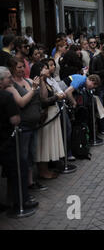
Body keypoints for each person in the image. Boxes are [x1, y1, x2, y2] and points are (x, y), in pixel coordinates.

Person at [0, 66, 38, 213]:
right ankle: (21, 202)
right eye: (8, 77)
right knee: (19, 169)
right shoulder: (7, 96)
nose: (11, 79)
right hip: (7, 140)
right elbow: (15, 119)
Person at [6, 57, 46, 192]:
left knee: (31, 154)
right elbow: (21, 102)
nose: (22, 69)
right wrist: (33, 89)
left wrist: (42, 81)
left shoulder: (29, 80)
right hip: (23, 126)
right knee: (22, 156)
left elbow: (43, 96)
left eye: (23, 66)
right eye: (19, 67)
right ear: (12, 69)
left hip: (34, 124)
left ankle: (30, 181)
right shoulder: (11, 86)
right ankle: (22, 185)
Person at [30, 62, 65, 179]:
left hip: (51, 114)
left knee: (48, 143)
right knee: (44, 144)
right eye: (45, 68)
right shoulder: (37, 81)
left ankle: (45, 169)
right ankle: (42, 171)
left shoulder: (46, 81)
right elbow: (44, 99)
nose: (48, 69)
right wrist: (56, 97)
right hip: (46, 115)